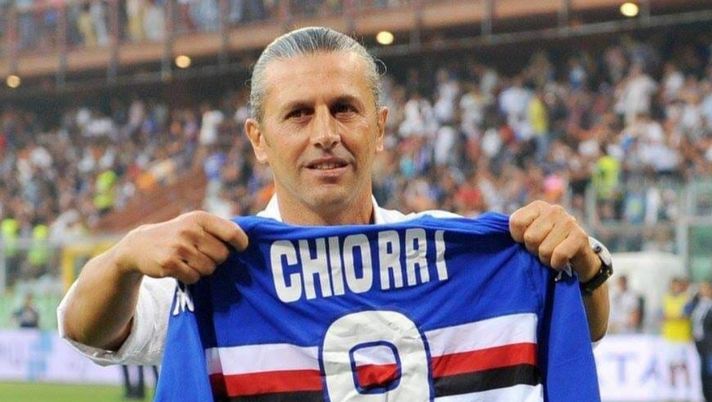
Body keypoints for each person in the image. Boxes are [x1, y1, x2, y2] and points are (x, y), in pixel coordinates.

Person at [57, 26, 610, 369]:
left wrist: (584, 264)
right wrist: (124, 259)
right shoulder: (218, 270)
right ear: (259, 140)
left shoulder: (443, 249)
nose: (326, 133)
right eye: (299, 114)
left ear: (380, 127)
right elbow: (87, 330)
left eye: (344, 109)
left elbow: (585, 326)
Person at [689, 281, 712, 401]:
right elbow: (687, 311)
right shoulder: (699, 304)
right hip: (700, 343)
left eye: (706, 289)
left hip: (710, 343)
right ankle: (706, 396)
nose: (703, 291)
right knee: (703, 371)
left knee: (710, 370)